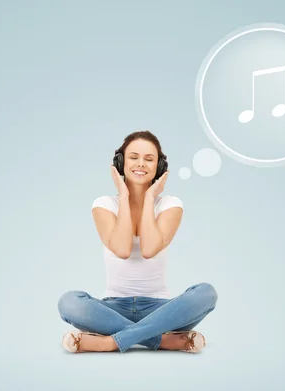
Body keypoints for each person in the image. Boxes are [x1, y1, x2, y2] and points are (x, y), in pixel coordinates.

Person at [57, 130, 218, 353]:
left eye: (149, 159)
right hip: (112, 309)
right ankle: (161, 340)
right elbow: (122, 249)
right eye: (133, 157)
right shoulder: (104, 204)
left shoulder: (170, 204)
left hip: (162, 310)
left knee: (206, 293)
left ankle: (111, 342)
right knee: (69, 302)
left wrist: (150, 197)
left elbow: (149, 249)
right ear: (121, 162)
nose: (141, 163)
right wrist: (123, 195)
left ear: (159, 167)